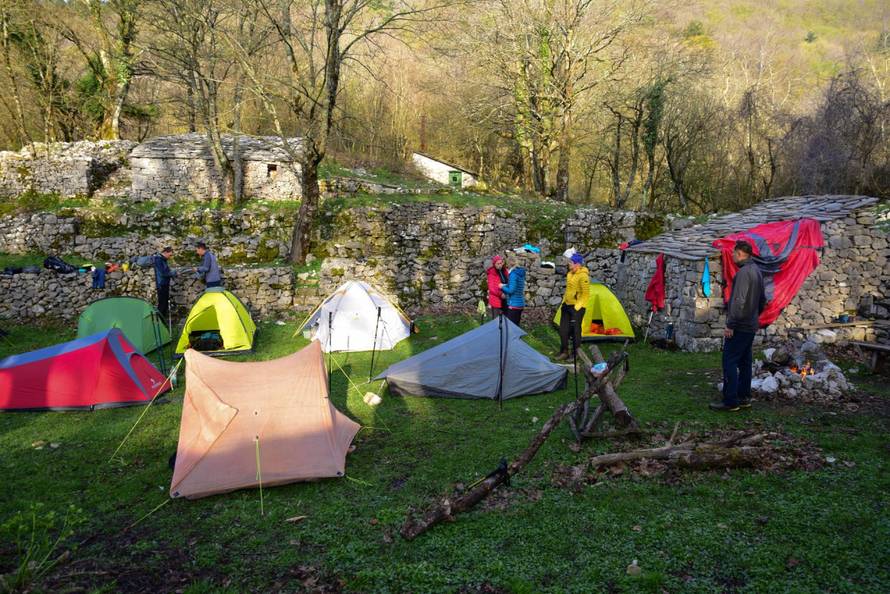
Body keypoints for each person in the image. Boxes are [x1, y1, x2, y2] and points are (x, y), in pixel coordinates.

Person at [710, 240, 766, 412]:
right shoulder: (757, 271)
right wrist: (755, 316)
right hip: (750, 324)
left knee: (729, 360)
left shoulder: (744, 273)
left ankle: (731, 401)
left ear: (741, 253)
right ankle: (744, 397)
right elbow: (762, 300)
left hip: (740, 324)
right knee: (744, 361)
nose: (733, 256)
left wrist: (730, 324)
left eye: (734, 253)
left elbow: (738, 301)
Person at [555, 253, 589, 361]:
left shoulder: (583, 276)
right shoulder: (570, 274)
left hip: (577, 308)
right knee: (563, 330)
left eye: (570, 262)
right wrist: (564, 302)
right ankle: (564, 351)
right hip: (567, 305)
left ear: (577, 264)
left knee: (575, 331)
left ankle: (575, 354)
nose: (568, 264)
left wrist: (577, 308)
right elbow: (569, 290)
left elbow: (585, 294)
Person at [500, 254, 526, 327]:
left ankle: (511, 338)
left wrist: (502, 287)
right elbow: (516, 286)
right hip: (520, 303)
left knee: (511, 327)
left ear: (508, 264)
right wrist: (506, 285)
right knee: (516, 326)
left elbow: (511, 290)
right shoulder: (520, 272)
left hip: (514, 304)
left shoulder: (513, 274)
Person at [153, 247, 176, 320]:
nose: (170, 257)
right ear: (165, 252)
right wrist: (173, 273)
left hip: (164, 284)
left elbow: (166, 271)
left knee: (165, 304)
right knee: (162, 304)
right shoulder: (158, 260)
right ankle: (159, 321)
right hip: (161, 285)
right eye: (170, 255)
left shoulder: (163, 260)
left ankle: (162, 320)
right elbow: (163, 273)